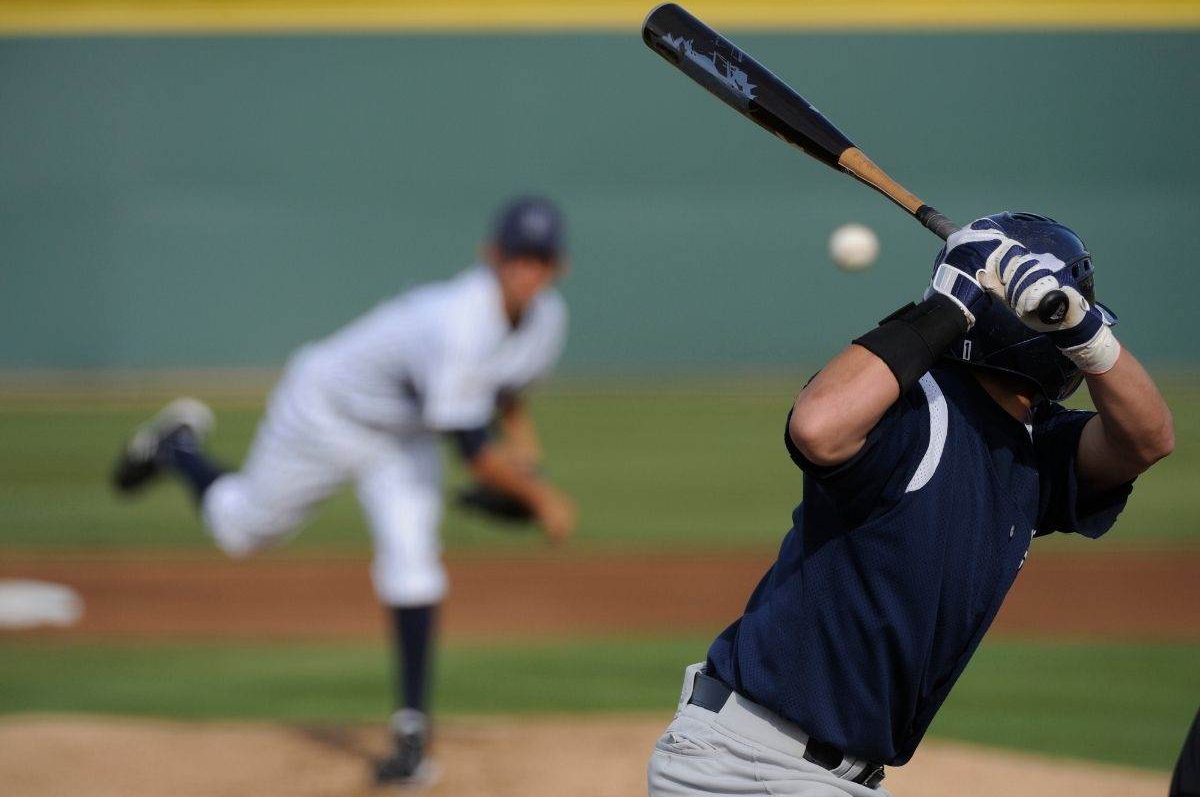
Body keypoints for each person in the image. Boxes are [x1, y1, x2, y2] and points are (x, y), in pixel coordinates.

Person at [647, 211, 1174, 796]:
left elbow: (1148, 440)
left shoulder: (1034, 449)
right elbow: (817, 427)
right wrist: (952, 304)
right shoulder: (917, 405)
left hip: (834, 779)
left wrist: (1084, 330)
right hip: (750, 765)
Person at [112, 195, 576, 785]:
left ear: (558, 265)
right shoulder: (459, 319)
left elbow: (507, 391)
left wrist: (528, 462)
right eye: (517, 256)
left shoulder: (547, 320)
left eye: (539, 258)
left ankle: (411, 739)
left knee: (414, 565)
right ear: (491, 256)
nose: (526, 269)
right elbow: (474, 452)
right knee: (240, 532)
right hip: (327, 411)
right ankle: (176, 448)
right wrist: (544, 500)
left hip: (402, 437)